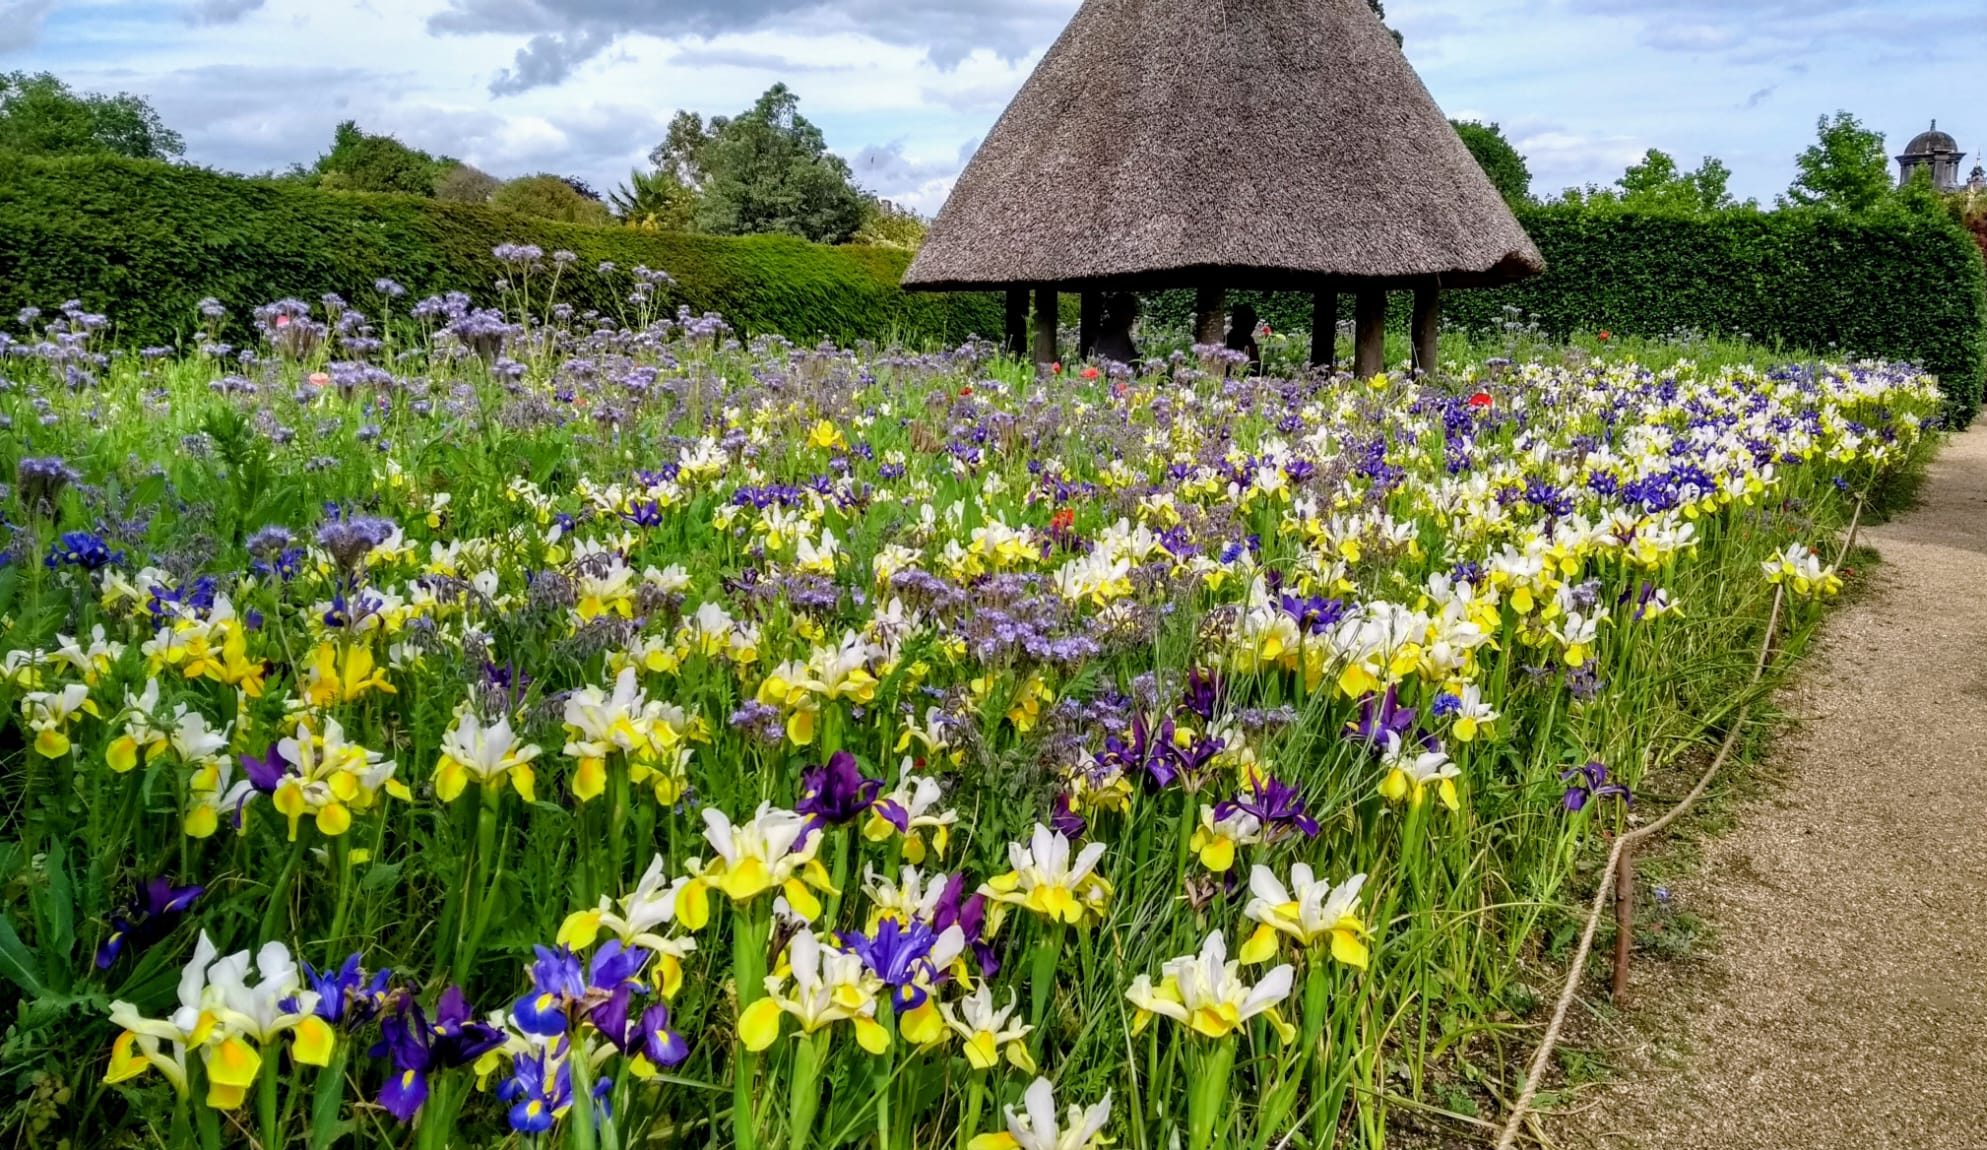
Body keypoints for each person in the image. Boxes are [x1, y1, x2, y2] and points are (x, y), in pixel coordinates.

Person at [1092, 293, 1140, 365]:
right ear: (1120, 312)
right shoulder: (1110, 334)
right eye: (1131, 310)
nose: (1134, 314)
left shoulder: (1122, 331)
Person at [1224, 303, 1263, 375]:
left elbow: (1256, 364)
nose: (1254, 327)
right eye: (1251, 323)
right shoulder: (1230, 340)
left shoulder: (1249, 340)